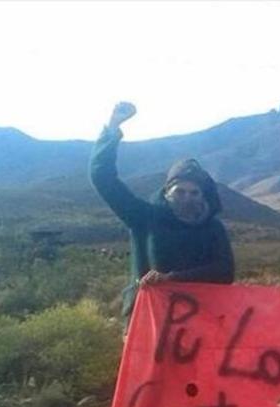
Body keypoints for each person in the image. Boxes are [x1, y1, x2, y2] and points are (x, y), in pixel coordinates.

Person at [90, 102, 234, 326]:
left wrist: (171, 279)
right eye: (180, 191)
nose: (187, 197)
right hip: (147, 322)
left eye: (194, 192)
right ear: (167, 191)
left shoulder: (213, 228)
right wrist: (112, 129)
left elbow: (225, 272)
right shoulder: (144, 217)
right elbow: (103, 179)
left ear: (203, 196)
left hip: (199, 323)